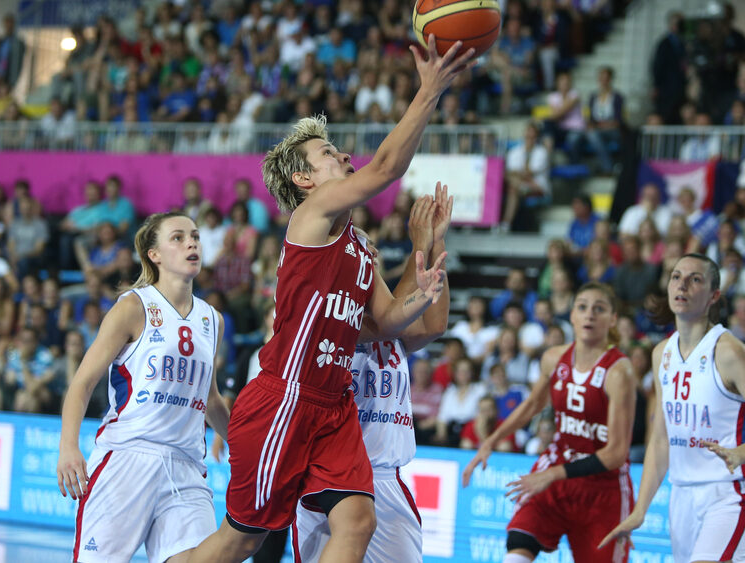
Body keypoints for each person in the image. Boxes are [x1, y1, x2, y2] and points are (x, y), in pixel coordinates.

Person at [189, 36, 471, 563]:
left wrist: (423, 278)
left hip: (334, 403)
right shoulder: (311, 215)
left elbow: (387, 322)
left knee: (358, 522)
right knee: (242, 541)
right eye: (327, 153)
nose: (343, 154)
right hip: (286, 397)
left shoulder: (361, 245)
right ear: (304, 179)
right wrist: (429, 89)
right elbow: (386, 168)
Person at [56, 212, 231, 563]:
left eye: (195, 236)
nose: (191, 243)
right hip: (128, 457)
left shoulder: (213, 319)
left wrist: (245, 448)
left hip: (185, 465)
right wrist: (68, 447)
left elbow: (210, 400)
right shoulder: (134, 306)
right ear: (155, 255)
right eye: (178, 238)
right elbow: (83, 382)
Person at [599, 254, 745, 563]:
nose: (683, 285)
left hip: (729, 493)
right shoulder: (661, 353)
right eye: (676, 277)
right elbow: (661, 440)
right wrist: (640, 510)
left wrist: (739, 454)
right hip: (682, 496)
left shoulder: (728, 352)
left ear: (714, 296)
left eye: (695, 279)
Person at [295, 185, 452, 563]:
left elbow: (433, 324)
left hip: (386, 479)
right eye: (362, 248)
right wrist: (419, 245)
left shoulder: (390, 324)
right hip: (330, 478)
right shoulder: (325, 318)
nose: (372, 254)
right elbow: (387, 322)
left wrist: (435, 243)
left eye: (372, 250)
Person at [462, 282, 636, 563]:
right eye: (582, 307)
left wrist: (551, 475)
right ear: (572, 315)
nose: (589, 314)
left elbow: (616, 454)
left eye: (599, 309)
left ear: (613, 319)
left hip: (602, 488)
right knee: (519, 541)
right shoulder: (554, 358)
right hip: (556, 468)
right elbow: (532, 405)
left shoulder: (619, 371)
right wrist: (490, 442)